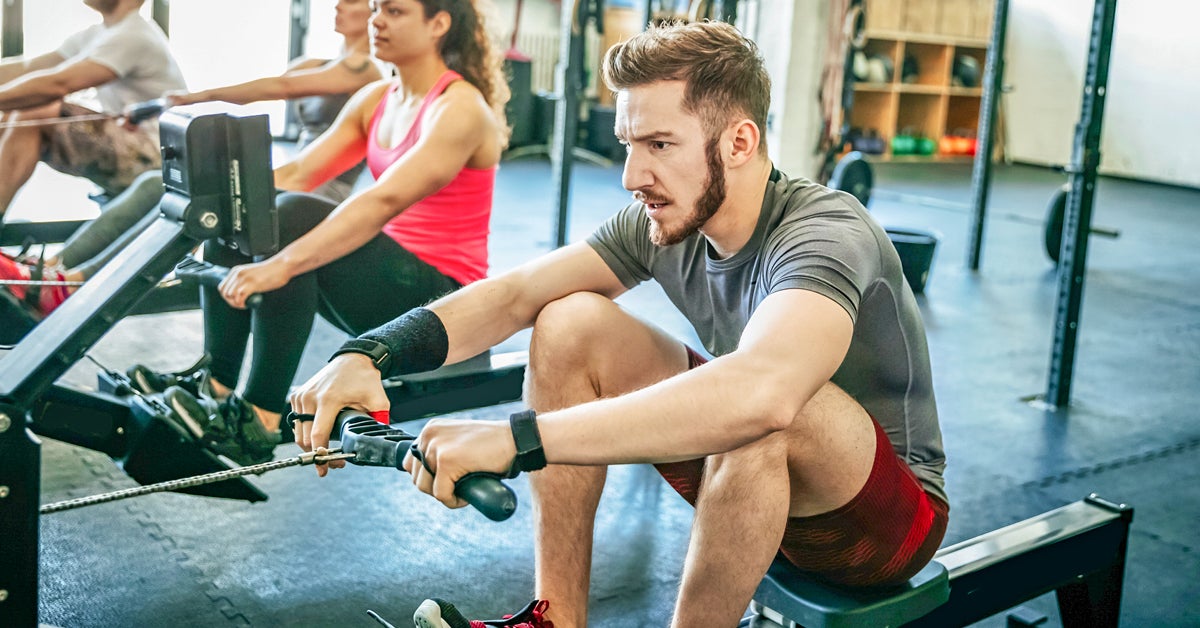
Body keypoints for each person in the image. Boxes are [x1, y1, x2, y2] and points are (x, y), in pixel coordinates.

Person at [289, 20, 949, 628]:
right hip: (750, 485)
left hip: (879, 529)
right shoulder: (665, 218)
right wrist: (370, 353)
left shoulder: (824, 233)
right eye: (631, 143)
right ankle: (557, 617)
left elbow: (766, 393)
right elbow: (517, 294)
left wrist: (518, 439)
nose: (635, 175)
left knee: (769, 411)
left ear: (740, 141)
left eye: (661, 144)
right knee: (569, 320)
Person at [132, 0, 510, 468]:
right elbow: (300, 171)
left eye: (393, 11)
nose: (376, 21)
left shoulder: (460, 109)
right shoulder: (377, 98)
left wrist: (280, 264)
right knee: (249, 210)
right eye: (375, 9)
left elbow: (380, 202)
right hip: (384, 283)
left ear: (438, 24)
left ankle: (260, 418)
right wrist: (217, 206)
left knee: (292, 218)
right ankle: (214, 385)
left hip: (445, 300)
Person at [0, 0, 381, 321]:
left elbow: (279, 88)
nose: (339, 5)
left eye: (353, 0)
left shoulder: (365, 70)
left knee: (180, 193)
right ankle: (57, 276)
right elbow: (266, 81)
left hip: (318, 194)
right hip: (289, 173)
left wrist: (196, 96)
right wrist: (156, 104)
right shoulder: (311, 62)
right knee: (158, 185)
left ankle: (72, 282)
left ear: (375, 10)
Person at [0, 0, 186, 220]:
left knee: (36, 110)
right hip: (131, 144)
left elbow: (59, 84)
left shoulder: (134, 35)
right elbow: (28, 69)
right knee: (13, 113)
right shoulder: (99, 33)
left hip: (160, 161)